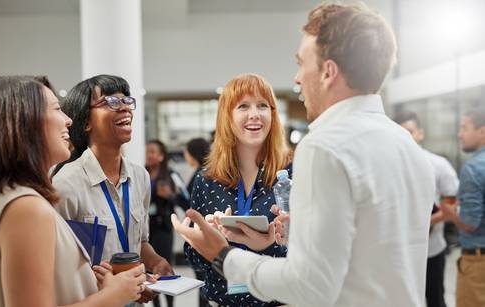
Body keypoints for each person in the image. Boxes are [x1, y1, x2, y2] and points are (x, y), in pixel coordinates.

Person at [171, 3, 436, 307]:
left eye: (301, 63)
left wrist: (225, 256)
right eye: (242, 106)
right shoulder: (407, 146)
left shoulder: (324, 147)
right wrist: (276, 239)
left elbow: (309, 287)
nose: (297, 78)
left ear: (328, 72)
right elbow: (365, 247)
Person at [0, 76, 145, 307]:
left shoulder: (13, 197)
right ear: (25, 123)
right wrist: (114, 295)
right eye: (56, 109)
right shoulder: (27, 208)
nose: (68, 120)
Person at [51, 74, 173, 304]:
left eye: (126, 100)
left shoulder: (140, 177)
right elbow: (56, 265)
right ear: (86, 122)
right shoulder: (65, 185)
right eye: (111, 101)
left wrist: (155, 260)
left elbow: (140, 242)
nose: (125, 107)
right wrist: (115, 286)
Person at [184, 73, 292, 307]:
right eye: (243, 106)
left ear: (272, 115)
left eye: (263, 105)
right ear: (227, 117)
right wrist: (208, 239)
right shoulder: (207, 180)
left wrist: (270, 244)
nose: (254, 114)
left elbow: (312, 253)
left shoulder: (293, 174)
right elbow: (193, 258)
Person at [394, 111, 459, 307]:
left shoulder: (439, 165)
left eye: (410, 132)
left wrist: (426, 222)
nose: (406, 137)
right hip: (398, 253)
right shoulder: (388, 166)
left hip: (432, 250)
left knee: (435, 299)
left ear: (420, 133)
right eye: (400, 133)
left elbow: (452, 204)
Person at [440, 107, 485, 307]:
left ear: (482, 132)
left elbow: (470, 223)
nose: (460, 134)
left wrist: (451, 212)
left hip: (478, 264)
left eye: (465, 128)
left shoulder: (473, 168)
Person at [145, 139, 188, 307]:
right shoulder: (140, 173)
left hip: (163, 229)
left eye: (153, 151)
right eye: (147, 151)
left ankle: (170, 305)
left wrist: (170, 195)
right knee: (150, 271)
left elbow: (186, 202)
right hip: (146, 229)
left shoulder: (171, 175)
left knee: (164, 268)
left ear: (162, 156)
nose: (149, 155)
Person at [182, 137, 211, 307]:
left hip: (202, 233)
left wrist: (175, 197)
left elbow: (192, 206)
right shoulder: (201, 173)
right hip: (199, 233)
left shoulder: (202, 175)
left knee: (204, 283)